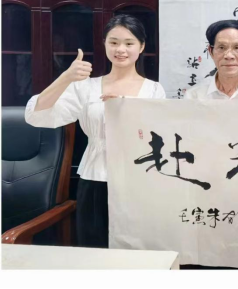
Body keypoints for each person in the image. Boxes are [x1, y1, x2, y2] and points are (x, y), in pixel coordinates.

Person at [25, 15, 165, 248]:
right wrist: (66, 77)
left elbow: (156, 136)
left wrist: (125, 107)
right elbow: (37, 115)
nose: (121, 49)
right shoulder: (86, 87)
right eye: (114, 42)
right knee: (94, 248)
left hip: (139, 178)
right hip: (95, 176)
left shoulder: (154, 90)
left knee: (138, 252)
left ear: (141, 47)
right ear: (105, 44)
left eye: (129, 43)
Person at [184, 20, 238, 100]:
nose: (229, 56)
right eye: (221, 47)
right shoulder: (194, 96)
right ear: (211, 51)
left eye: (237, 47)